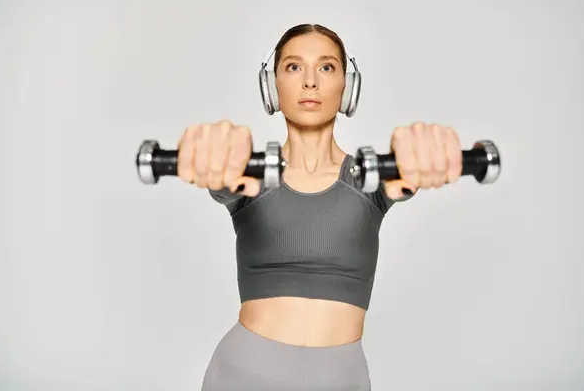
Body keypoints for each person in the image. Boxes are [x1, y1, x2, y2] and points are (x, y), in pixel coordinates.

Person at [177, 23, 463, 390]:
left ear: (346, 87)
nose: (310, 81)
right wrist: (210, 154)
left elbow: (410, 167)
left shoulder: (371, 179)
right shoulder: (247, 174)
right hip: (241, 376)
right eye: (294, 67)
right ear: (272, 86)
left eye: (326, 67)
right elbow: (221, 177)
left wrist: (428, 151)